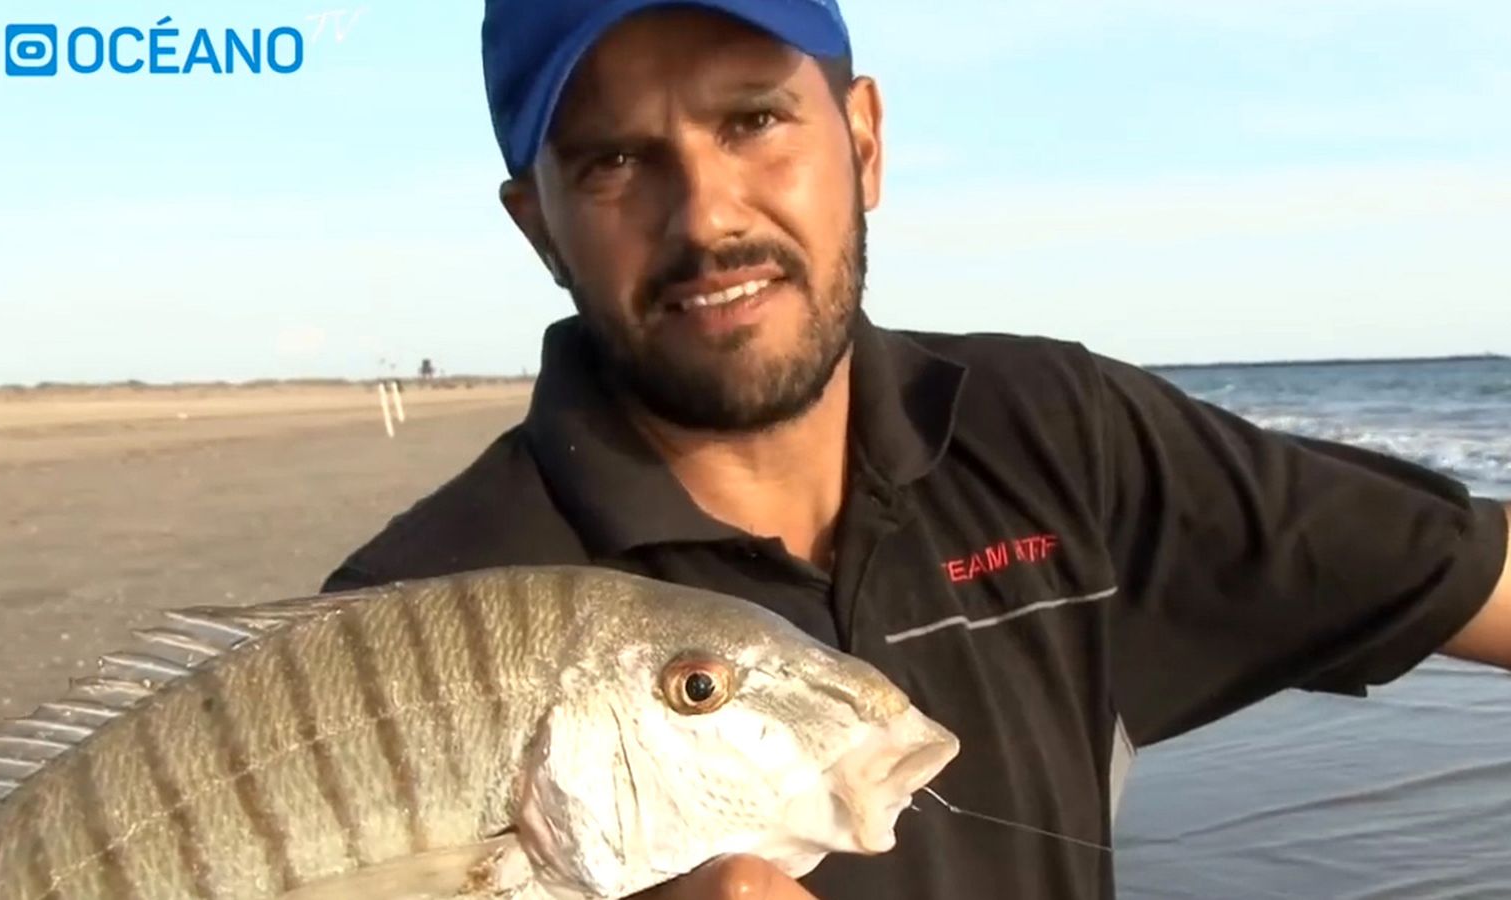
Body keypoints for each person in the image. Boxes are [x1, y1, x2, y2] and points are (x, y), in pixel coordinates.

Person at [321, 1, 1511, 897]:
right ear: (539, 223)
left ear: (864, 140)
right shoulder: (391, 630)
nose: (710, 215)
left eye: (754, 119)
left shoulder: (1056, 434)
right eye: (615, 161)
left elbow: (1467, 577)